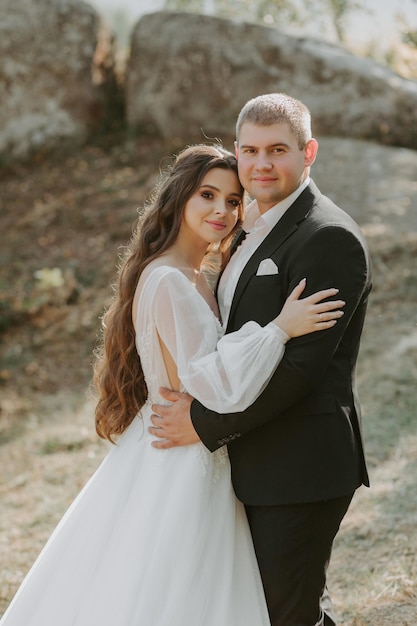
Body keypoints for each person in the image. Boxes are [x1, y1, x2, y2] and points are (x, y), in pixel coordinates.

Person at [0, 144, 345, 626]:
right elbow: (212, 385)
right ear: (180, 197)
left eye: (232, 199)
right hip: (182, 455)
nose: (222, 210)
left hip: (192, 447)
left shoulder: (195, 275)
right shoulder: (168, 281)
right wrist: (280, 329)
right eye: (208, 195)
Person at [149, 95, 373, 626]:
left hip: (300, 465)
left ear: (308, 152)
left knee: (285, 613)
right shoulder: (249, 225)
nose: (261, 164)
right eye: (249, 150)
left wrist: (202, 424)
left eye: (278, 149)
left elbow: (301, 371)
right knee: (278, 609)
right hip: (256, 461)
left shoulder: (329, 237)